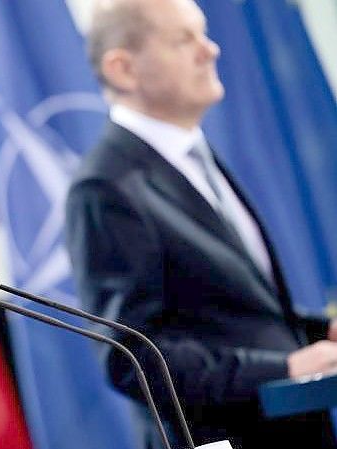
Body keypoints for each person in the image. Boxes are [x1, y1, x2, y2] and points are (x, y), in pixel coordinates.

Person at [66, 0, 337, 447]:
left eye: (203, 32)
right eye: (183, 39)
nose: (210, 50)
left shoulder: (195, 156)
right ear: (123, 69)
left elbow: (224, 315)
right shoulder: (105, 188)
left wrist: (315, 333)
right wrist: (287, 367)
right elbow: (134, 356)